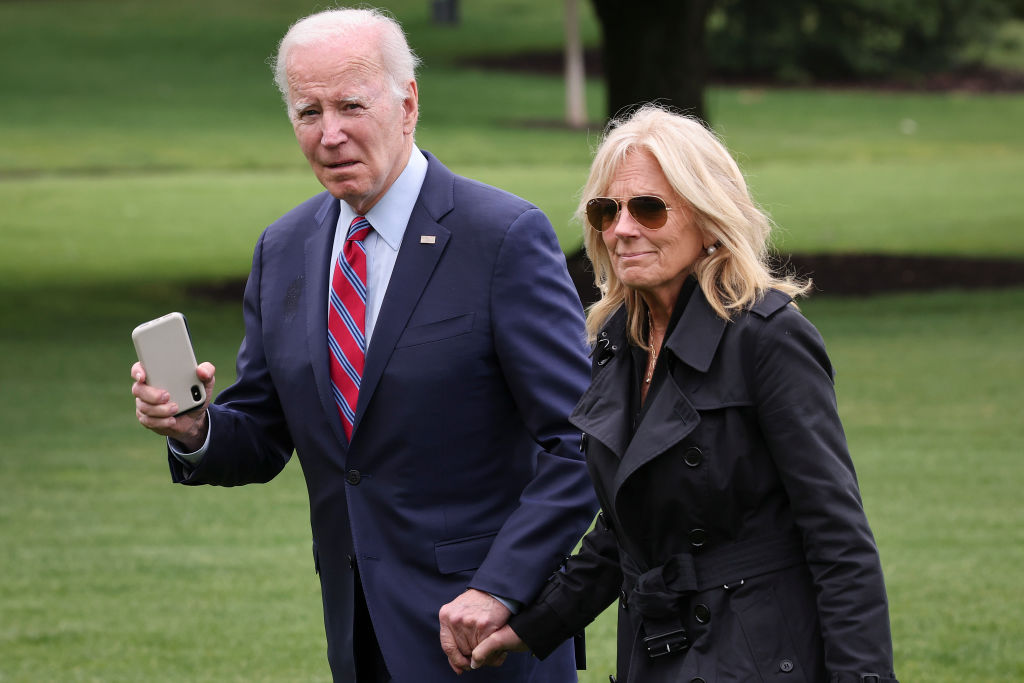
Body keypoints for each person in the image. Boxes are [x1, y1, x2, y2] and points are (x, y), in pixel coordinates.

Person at [130, 8, 597, 682]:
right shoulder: (283, 249)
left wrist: (501, 587)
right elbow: (263, 431)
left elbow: (579, 441)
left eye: (351, 105)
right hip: (357, 634)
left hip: (489, 640)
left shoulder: (502, 237)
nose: (330, 134)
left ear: (409, 103)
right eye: (307, 112)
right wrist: (196, 427)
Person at [463, 106, 899, 683]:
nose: (622, 229)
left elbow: (838, 536)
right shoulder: (619, 341)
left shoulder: (768, 338)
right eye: (605, 210)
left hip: (760, 658)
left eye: (648, 207)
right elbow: (624, 535)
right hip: (655, 650)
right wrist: (530, 627)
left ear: (708, 215)